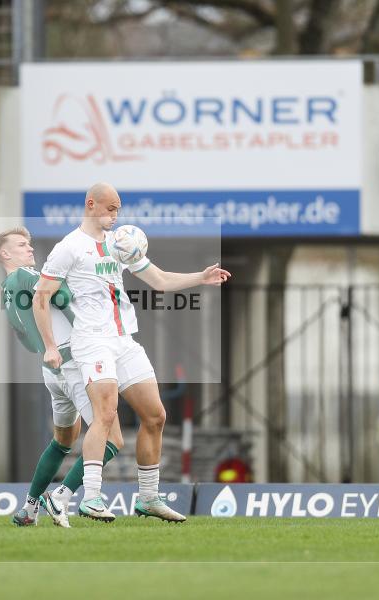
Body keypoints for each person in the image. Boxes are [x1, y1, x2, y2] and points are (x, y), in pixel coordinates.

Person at [33, 183, 230, 523]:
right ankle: (91, 498)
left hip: (124, 340)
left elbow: (160, 281)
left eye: (118, 210)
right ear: (91, 204)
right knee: (106, 413)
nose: (114, 216)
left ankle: (149, 498)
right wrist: (50, 345)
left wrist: (202, 276)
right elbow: (41, 297)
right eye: (110, 209)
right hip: (91, 340)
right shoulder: (69, 247)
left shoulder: (121, 242)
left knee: (155, 415)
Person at [0, 226, 123, 527]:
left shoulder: (6, 290)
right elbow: (62, 297)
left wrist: (45, 346)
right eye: (22, 245)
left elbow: (24, 338)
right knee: (113, 437)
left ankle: (28, 508)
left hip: (51, 370)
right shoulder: (27, 276)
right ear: (5, 253)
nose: (30, 249)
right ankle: (61, 495)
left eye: (29, 243)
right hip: (74, 362)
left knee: (63, 440)